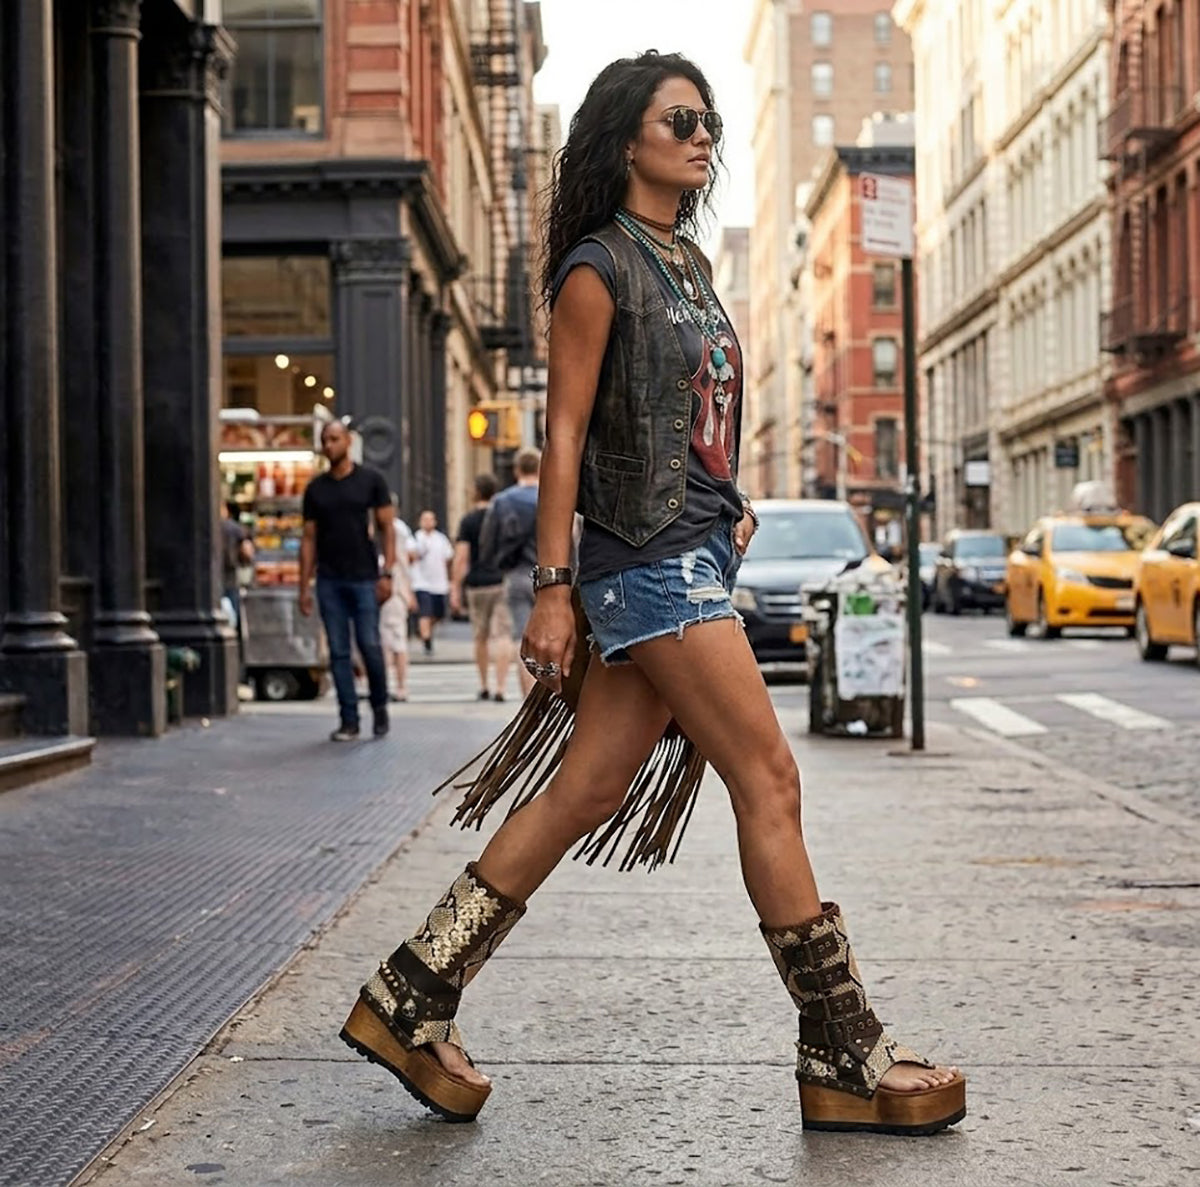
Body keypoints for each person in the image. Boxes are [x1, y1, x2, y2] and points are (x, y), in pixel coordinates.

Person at [338, 51, 964, 1135]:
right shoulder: (599, 267)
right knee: (769, 778)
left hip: (693, 553)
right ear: (628, 138)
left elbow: (690, 420)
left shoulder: (686, 262)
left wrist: (731, 500)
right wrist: (550, 586)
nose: (703, 132)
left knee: (582, 792)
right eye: (681, 117)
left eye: (709, 118)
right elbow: (567, 433)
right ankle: (843, 1047)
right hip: (647, 569)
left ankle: (412, 992)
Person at [299, 421, 394, 741]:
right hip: (329, 580)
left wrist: (388, 572)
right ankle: (348, 719)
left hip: (365, 577)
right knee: (339, 652)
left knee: (369, 645)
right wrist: (304, 587)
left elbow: (387, 528)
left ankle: (379, 707)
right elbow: (308, 539)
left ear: (349, 441)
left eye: (334, 439)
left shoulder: (371, 481)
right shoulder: (316, 489)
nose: (329, 445)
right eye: (325, 440)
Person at [478, 449, 541, 697]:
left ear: (517, 470)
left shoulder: (503, 501)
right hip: (551, 578)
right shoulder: (551, 495)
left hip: (516, 574)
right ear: (539, 468)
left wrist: (496, 564)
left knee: (521, 638)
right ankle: (549, 697)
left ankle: (530, 700)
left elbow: (487, 542)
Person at [451, 474, 513, 702]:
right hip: (500, 580)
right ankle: (501, 686)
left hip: (477, 584)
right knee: (502, 635)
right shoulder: (503, 516)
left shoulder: (468, 521)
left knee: (481, 636)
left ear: (476, 491)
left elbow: (461, 558)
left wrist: (455, 588)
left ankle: (484, 684)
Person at [379, 495, 417, 702]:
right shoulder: (399, 528)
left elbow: (404, 560)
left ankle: (398, 686)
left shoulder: (395, 530)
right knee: (391, 639)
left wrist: (406, 591)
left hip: (393, 589)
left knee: (391, 640)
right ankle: (396, 685)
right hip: (396, 589)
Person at [408, 510, 456, 656]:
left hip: (439, 583)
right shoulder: (416, 538)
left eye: (430, 519)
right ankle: (427, 641)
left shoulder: (441, 539)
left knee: (438, 614)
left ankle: (423, 631)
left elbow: (449, 559)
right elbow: (411, 556)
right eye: (425, 519)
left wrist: (451, 580)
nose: (428, 522)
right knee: (425, 613)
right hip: (421, 582)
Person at [219, 500, 253, 631]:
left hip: (211, 582)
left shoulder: (207, 526)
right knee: (232, 620)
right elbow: (247, 551)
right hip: (230, 578)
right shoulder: (235, 528)